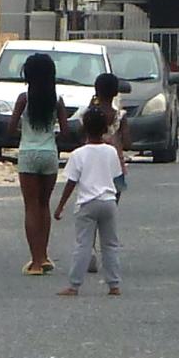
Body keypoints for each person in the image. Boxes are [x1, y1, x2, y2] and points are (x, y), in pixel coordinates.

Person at [51, 103, 128, 295]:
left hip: (87, 203)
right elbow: (117, 177)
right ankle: (114, 285)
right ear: (105, 128)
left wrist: (60, 206)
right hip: (108, 201)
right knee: (110, 244)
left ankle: (74, 285)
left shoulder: (78, 154)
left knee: (83, 245)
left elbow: (71, 182)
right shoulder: (111, 151)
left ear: (84, 128)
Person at [12, 51, 65, 275]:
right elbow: (66, 130)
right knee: (44, 205)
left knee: (30, 206)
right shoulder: (57, 100)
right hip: (49, 154)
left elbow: (10, 127)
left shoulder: (24, 99)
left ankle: (34, 261)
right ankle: (43, 256)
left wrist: (22, 134)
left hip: (28, 155)